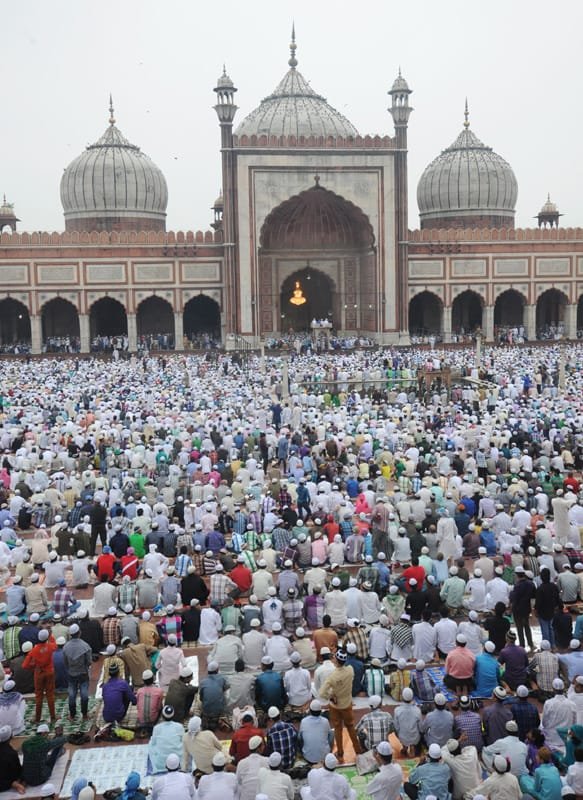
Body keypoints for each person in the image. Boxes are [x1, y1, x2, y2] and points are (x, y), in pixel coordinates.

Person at [319, 649, 362, 759]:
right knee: (351, 727)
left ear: (336, 660)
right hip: (347, 704)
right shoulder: (350, 670)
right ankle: (358, 750)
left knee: (338, 729)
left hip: (336, 706)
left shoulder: (332, 677)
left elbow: (321, 693)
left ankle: (340, 752)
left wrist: (331, 697)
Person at [23, 628, 57, 723]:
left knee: (39, 696)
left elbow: (25, 665)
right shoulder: (51, 647)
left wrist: (34, 667)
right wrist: (50, 635)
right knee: (50, 695)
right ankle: (53, 717)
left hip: (39, 674)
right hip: (49, 672)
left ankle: (37, 718)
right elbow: (54, 644)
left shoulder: (34, 650)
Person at [62, 622, 92, 721]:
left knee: (72, 694)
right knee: (84, 695)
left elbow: (65, 662)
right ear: (79, 633)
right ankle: (84, 715)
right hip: (83, 673)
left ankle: (72, 715)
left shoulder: (66, 647)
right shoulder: (85, 646)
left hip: (71, 673)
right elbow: (89, 662)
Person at [149, 705, 185, 774]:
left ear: (162, 716)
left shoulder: (157, 728)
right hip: (178, 761)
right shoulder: (179, 727)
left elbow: (153, 743)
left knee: (151, 743)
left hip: (160, 763)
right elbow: (183, 741)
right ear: (173, 715)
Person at [298, 700, 333, 764]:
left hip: (307, 757)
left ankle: (303, 751)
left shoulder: (304, 721)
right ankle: (329, 751)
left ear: (310, 711)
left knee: (300, 736)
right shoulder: (325, 721)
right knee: (331, 733)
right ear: (320, 711)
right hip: (324, 757)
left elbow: (300, 738)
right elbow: (330, 736)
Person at [236, 735, 270, 800]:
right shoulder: (267, 761)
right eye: (262, 745)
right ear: (258, 748)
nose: (264, 747)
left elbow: (238, 781)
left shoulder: (241, 763)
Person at [393, 687, 422, 756]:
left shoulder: (397, 710)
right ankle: (412, 747)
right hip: (415, 738)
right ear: (412, 698)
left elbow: (396, 727)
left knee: (397, 731)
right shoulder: (417, 710)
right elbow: (420, 727)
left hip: (402, 737)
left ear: (402, 698)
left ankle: (405, 747)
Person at [0, 724, 25, 794]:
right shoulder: (12, 753)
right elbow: (17, 771)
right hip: (5, 784)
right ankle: (16, 784)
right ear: (11, 737)